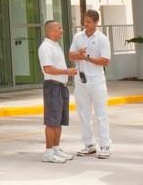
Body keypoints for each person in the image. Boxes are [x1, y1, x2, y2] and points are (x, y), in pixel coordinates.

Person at [69, 9, 112, 159]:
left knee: (101, 114)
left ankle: (105, 146)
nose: (85, 24)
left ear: (96, 22)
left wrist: (87, 58)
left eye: (88, 21)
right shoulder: (78, 36)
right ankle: (89, 145)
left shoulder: (102, 39)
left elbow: (105, 60)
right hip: (80, 81)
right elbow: (71, 55)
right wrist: (79, 54)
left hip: (96, 81)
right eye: (84, 21)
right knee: (83, 113)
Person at [38, 19, 78, 163]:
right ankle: (48, 153)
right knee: (52, 121)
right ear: (50, 31)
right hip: (52, 87)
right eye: (59, 28)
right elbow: (48, 69)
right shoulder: (45, 47)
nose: (62, 30)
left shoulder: (55, 46)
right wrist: (67, 71)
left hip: (61, 87)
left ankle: (56, 148)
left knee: (59, 120)